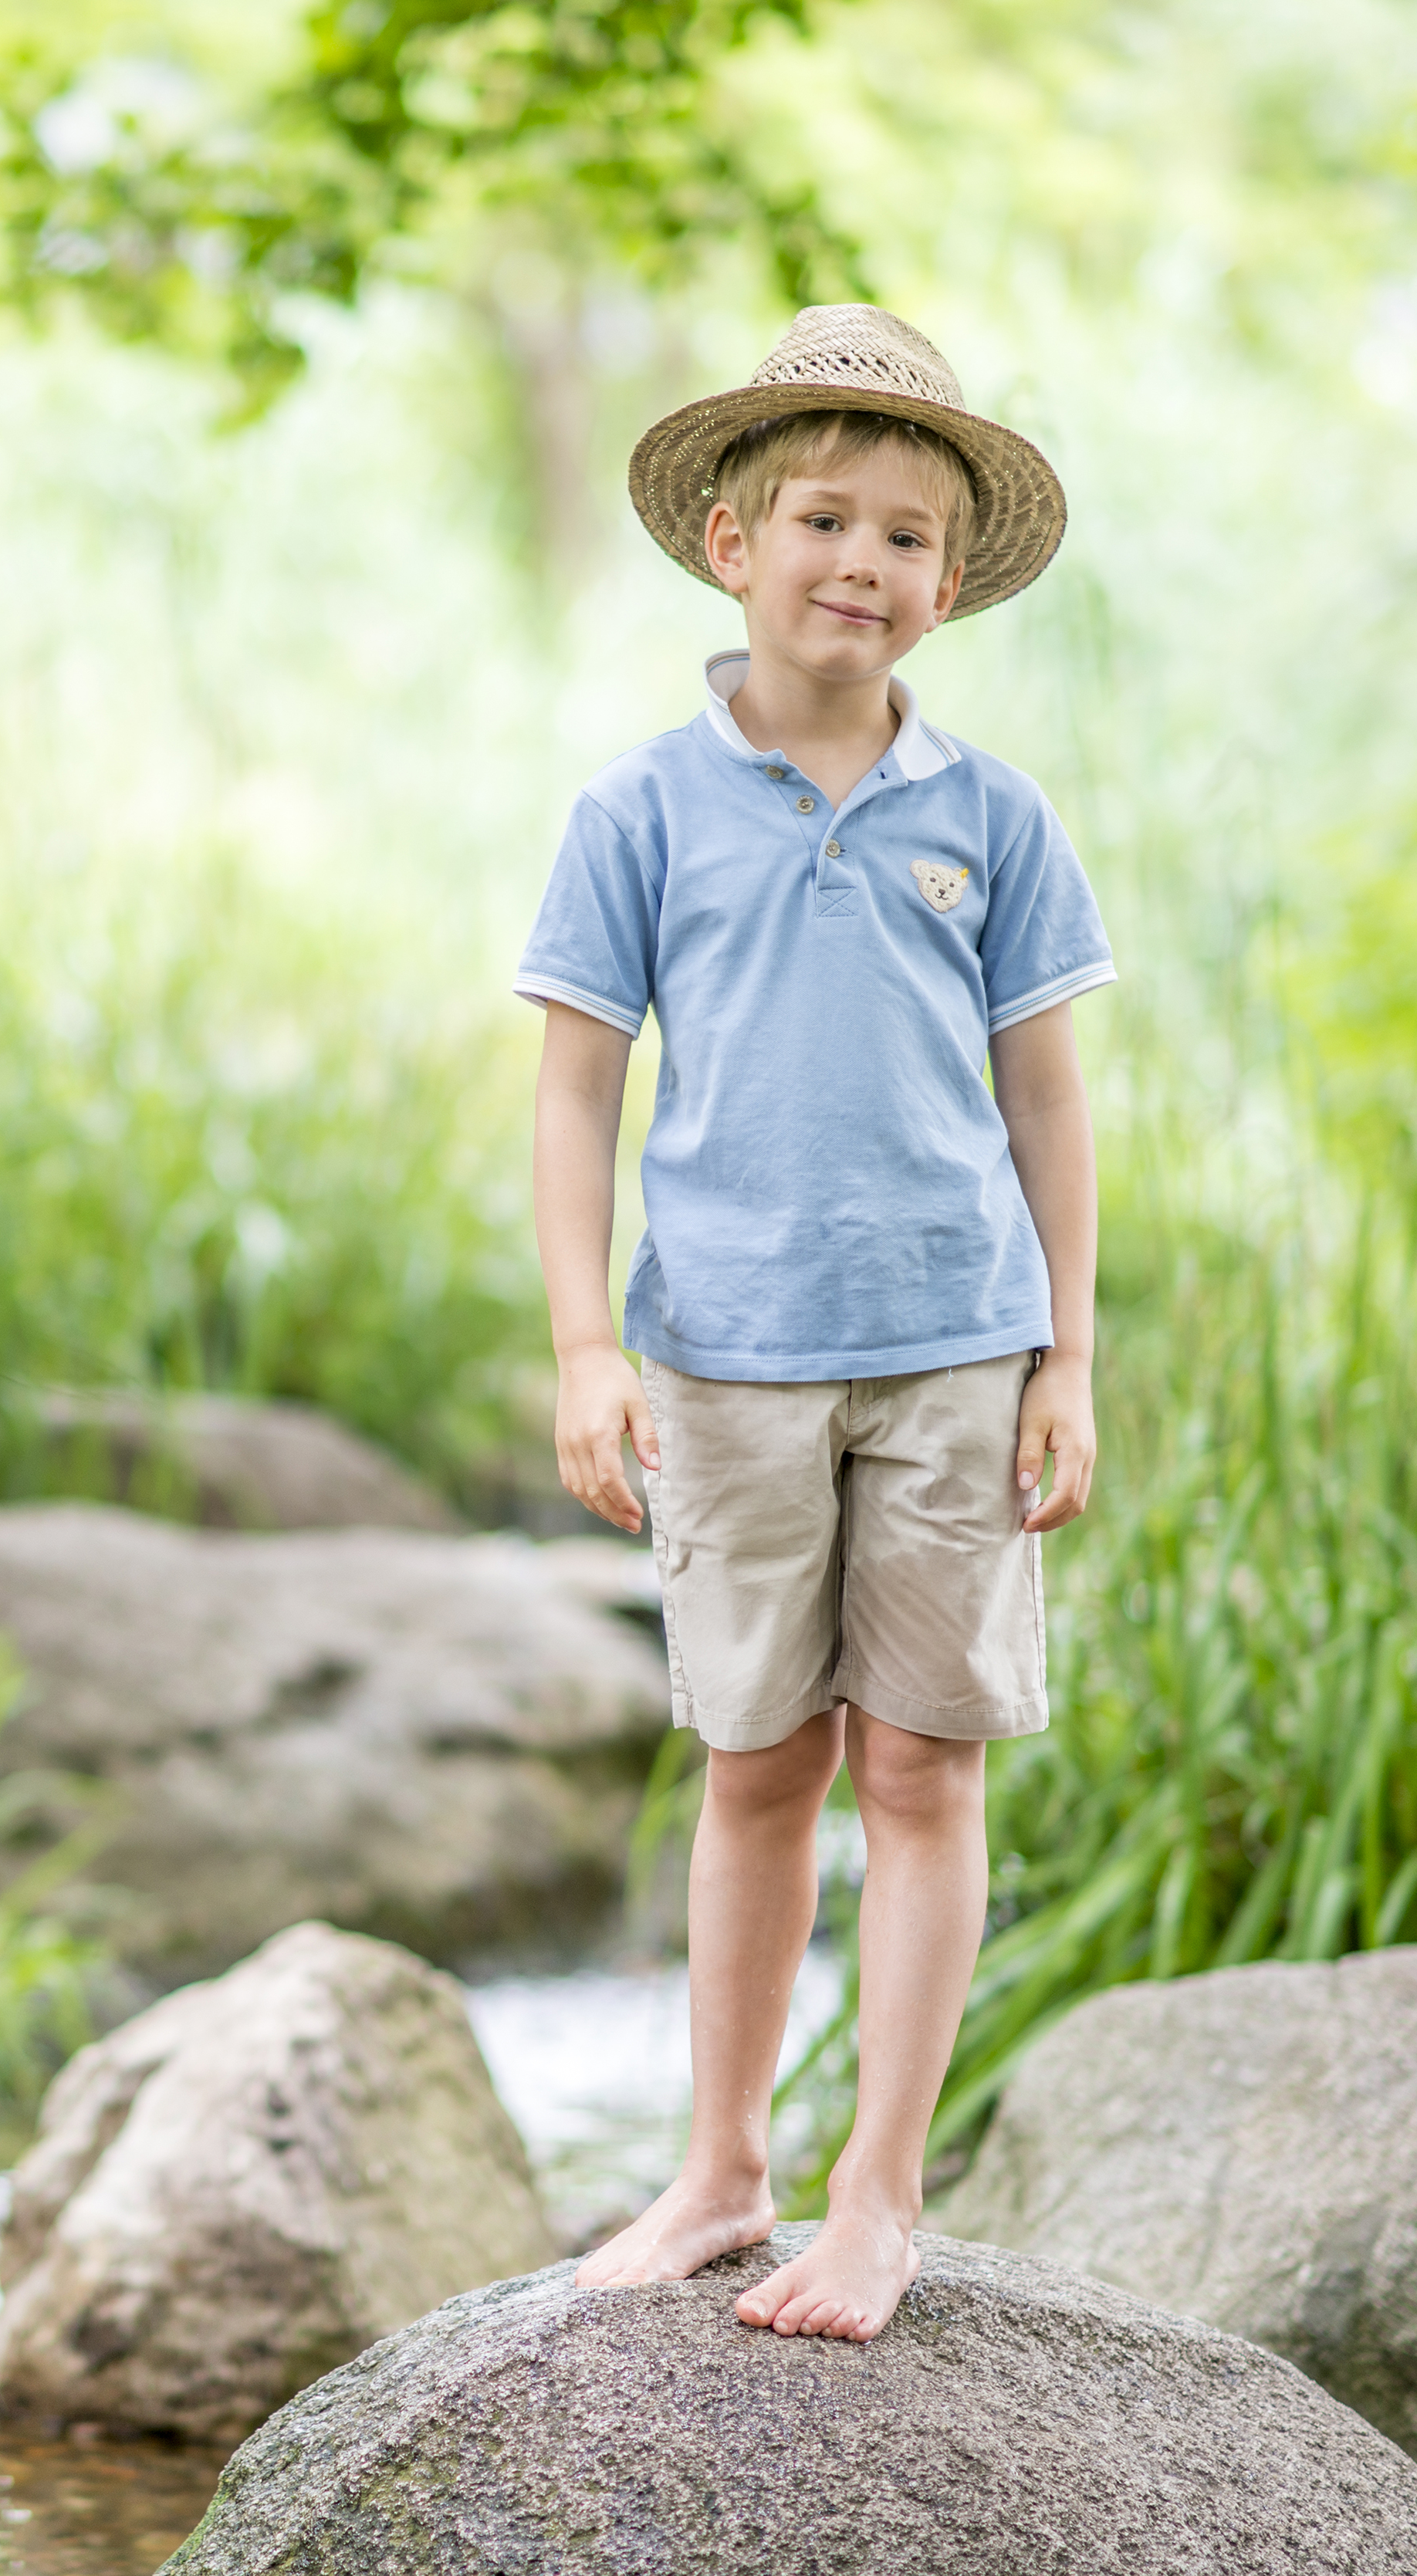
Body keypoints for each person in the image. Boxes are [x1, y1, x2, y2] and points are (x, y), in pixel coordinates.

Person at [518, 306, 1109, 2342]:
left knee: (923, 1773)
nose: (863, 563)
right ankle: (720, 2168)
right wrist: (590, 1347)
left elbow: (1047, 1096)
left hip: (957, 1346)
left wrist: (1073, 1353)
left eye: (908, 538)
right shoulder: (640, 815)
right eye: (824, 520)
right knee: (755, 1763)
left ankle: (878, 2197)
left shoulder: (995, 818)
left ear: (951, 585)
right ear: (727, 536)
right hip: (724, 1354)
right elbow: (579, 1088)